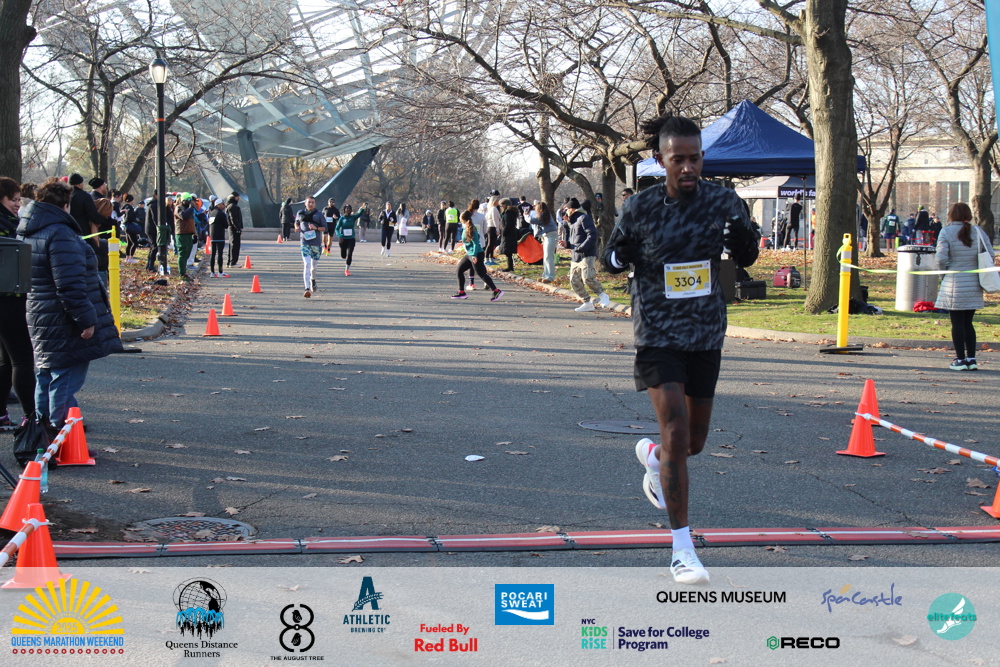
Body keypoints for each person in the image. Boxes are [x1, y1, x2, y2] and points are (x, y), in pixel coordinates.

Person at [602, 113, 759, 585]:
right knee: (674, 429)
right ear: (660, 160)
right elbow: (610, 258)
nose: (688, 167)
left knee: (692, 443)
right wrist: (621, 256)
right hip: (656, 331)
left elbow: (748, 257)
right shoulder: (641, 207)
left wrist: (744, 242)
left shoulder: (724, 201)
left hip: (705, 331)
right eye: (678, 160)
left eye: (695, 159)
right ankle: (682, 550)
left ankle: (655, 457)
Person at [17, 178, 123, 429]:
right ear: (66, 204)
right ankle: (58, 432)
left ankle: (42, 429)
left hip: (39, 311)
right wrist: (86, 319)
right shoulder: (61, 233)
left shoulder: (28, 230)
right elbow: (70, 284)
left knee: (47, 374)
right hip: (63, 316)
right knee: (65, 378)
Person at [934, 202, 991, 371]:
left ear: (951, 215)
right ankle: (971, 359)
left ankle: (960, 360)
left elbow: (941, 258)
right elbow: (990, 253)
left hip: (954, 283)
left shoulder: (946, 231)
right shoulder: (978, 231)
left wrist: (943, 274)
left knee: (957, 323)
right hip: (974, 282)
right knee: (968, 323)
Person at [0, 178, 35, 429]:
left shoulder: (11, 223)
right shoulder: (7, 227)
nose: (17, 204)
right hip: (9, 299)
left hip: (8, 299)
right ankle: (33, 419)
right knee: (22, 360)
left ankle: (1, 413)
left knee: (6, 360)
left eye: (18, 200)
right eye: (12, 199)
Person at [560, 198, 609, 312]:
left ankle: (603, 295)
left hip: (587, 254)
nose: (565, 211)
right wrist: (567, 244)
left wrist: (582, 247)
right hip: (576, 255)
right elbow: (576, 238)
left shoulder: (583, 218)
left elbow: (592, 235)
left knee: (587, 278)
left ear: (572, 209)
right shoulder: (572, 221)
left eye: (567, 209)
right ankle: (587, 303)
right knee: (574, 281)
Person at [450, 210, 503, 302]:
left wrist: (474, 256)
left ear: (462, 219)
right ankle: (461, 292)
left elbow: (476, 244)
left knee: (481, 274)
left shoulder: (472, 229)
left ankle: (496, 291)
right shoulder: (466, 227)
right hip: (469, 254)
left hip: (476, 254)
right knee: (459, 270)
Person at [297, 195, 325, 297]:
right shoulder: (300, 213)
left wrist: (316, 228)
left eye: (312, 202)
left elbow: (324, 228)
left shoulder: (319, 214)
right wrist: (296, 227)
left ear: (315, 204)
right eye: (309, 202)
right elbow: (296, 223)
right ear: (305, 203)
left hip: (316, 243)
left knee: (314, 268)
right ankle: (307, 288)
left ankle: (313, 279)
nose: (311, 204)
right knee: (307, 264)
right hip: (305, 243)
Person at [335, 203, 366, 276]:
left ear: (351, 210)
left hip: (351, 239)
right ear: (344, 210)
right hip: (343, 239)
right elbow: (336, 229)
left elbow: (359, 214)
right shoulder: (342, 219)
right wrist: (339, 235)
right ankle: (344, 255)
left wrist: (362, 208)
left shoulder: (353, 217)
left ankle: (347, 270)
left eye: (349, 209)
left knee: (349, 254)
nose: (348, 210)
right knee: (343, 255)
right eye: (347, 209)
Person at [533, 201, 559, 283]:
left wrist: (526, 215)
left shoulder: (543, 215)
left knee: (548, 256)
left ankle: (550, 277)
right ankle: (545, 275)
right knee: (546, 257)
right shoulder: (545, 215)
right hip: (546, 236)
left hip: (551, 236)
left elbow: (531, 220)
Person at [174, 195, 197, 279]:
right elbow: (183, 216)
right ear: (183, 200)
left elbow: (192, 222)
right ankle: (182, 273)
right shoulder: (179, 208)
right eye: (188, 199)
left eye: (191, 199)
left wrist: (194, 234)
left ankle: (184, 270)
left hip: (189, 233)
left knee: (187, 253)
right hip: (181, 233)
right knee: (182, 253)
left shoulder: (190, 210)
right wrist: (191, 208)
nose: (190, 201)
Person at [207, 199, 229, 277]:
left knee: (213, 254)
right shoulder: (221, 213)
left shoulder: (211, 213)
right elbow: (226, 225)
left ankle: (212, 272)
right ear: (218, 205)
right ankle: (220, 272)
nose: (224, 205)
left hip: (212, 236)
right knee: (220, 254)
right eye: (223, 204)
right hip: (220, 236)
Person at [498, 198, 520, 271]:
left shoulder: (508, 213)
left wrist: (503, 232)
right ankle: (510, 266)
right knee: (508, 251)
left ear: (505, 205)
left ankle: (510, 267)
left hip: (508, 234)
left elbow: (507, 225)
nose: (501, 207)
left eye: (502, 205)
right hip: (511, 233)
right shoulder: (511, 212)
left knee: (508, 251)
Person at [123, 194, 143, 263]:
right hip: (131, 227)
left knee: (129, 243)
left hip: (127, 227)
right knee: (135, 243)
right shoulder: (130, 208)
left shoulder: (125, 207)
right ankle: (131, 257)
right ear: (131, 200)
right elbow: (131, 217)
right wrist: (136, 220)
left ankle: (127, 257)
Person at [226, 193, 243, 268]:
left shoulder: (230, 206)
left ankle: (230, 261)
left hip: (232, 227)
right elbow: (233, 218)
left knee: (232, 245)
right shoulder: (232, 206)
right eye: (237, 197)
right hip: (233, 228)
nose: (238, 198)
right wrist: (238, 228)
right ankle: (233, 262)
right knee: (235, 245)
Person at [484, 195, 501, 265]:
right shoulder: (494, 209)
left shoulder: (490, 209)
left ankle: (490, 258)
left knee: (492, 244)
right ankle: (486, 258)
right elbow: (495, 219)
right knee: (490, 244)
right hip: (492, 227)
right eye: (497, 200)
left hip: (490, 227)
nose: (498, 202)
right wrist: (497, 228)